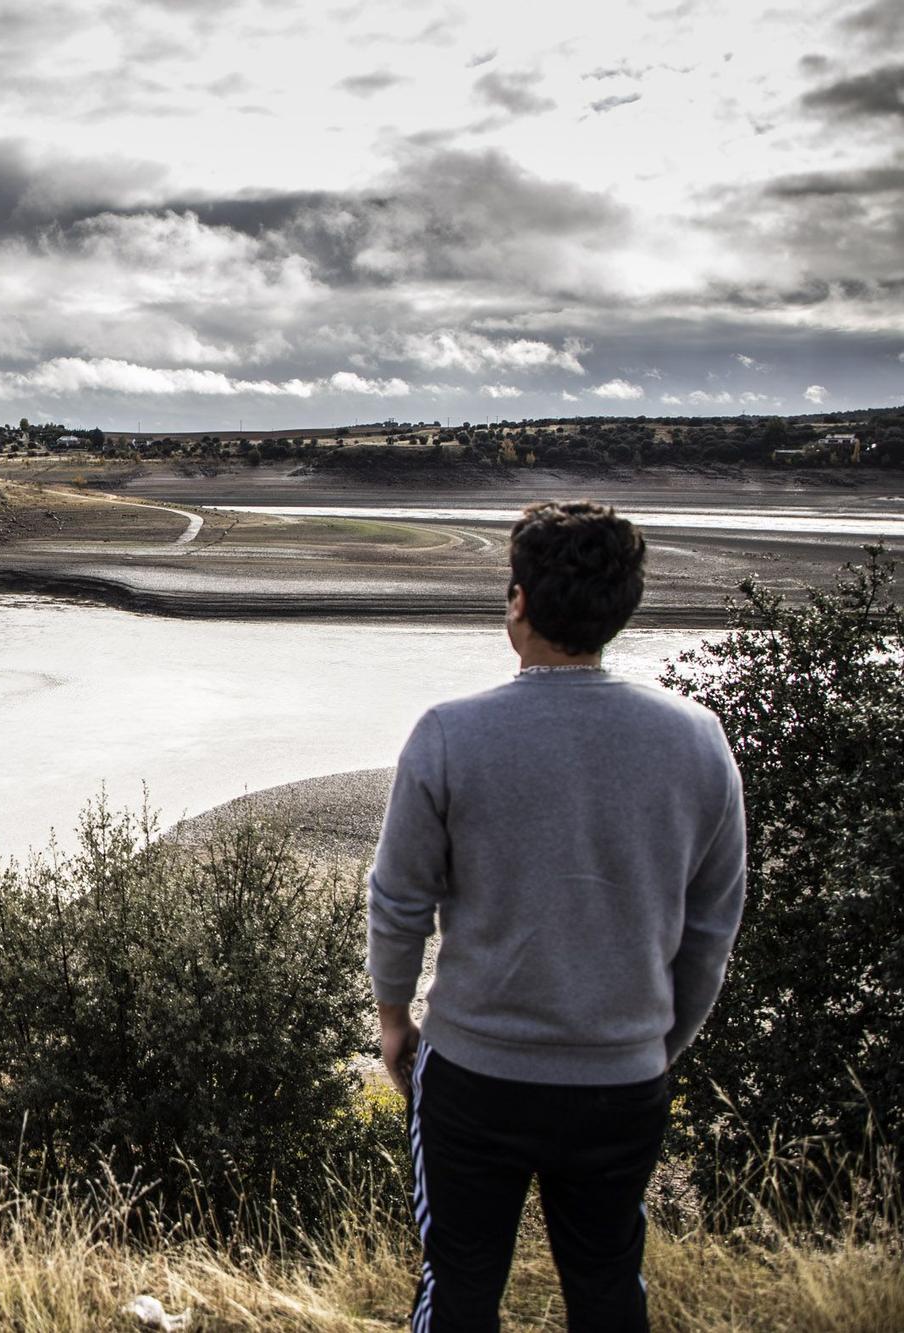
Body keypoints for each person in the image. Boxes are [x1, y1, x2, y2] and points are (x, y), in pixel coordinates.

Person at [367, 500, 746, 1332]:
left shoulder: (449, 734)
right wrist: (653, 1042)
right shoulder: (698, 740)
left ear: (518, 601)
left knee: (459, 1286)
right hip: (622, 1077)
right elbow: (712, 930)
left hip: (475, 1074)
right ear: (623, 608)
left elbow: (398, 900)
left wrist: (394, 1020)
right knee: (608, 1286)